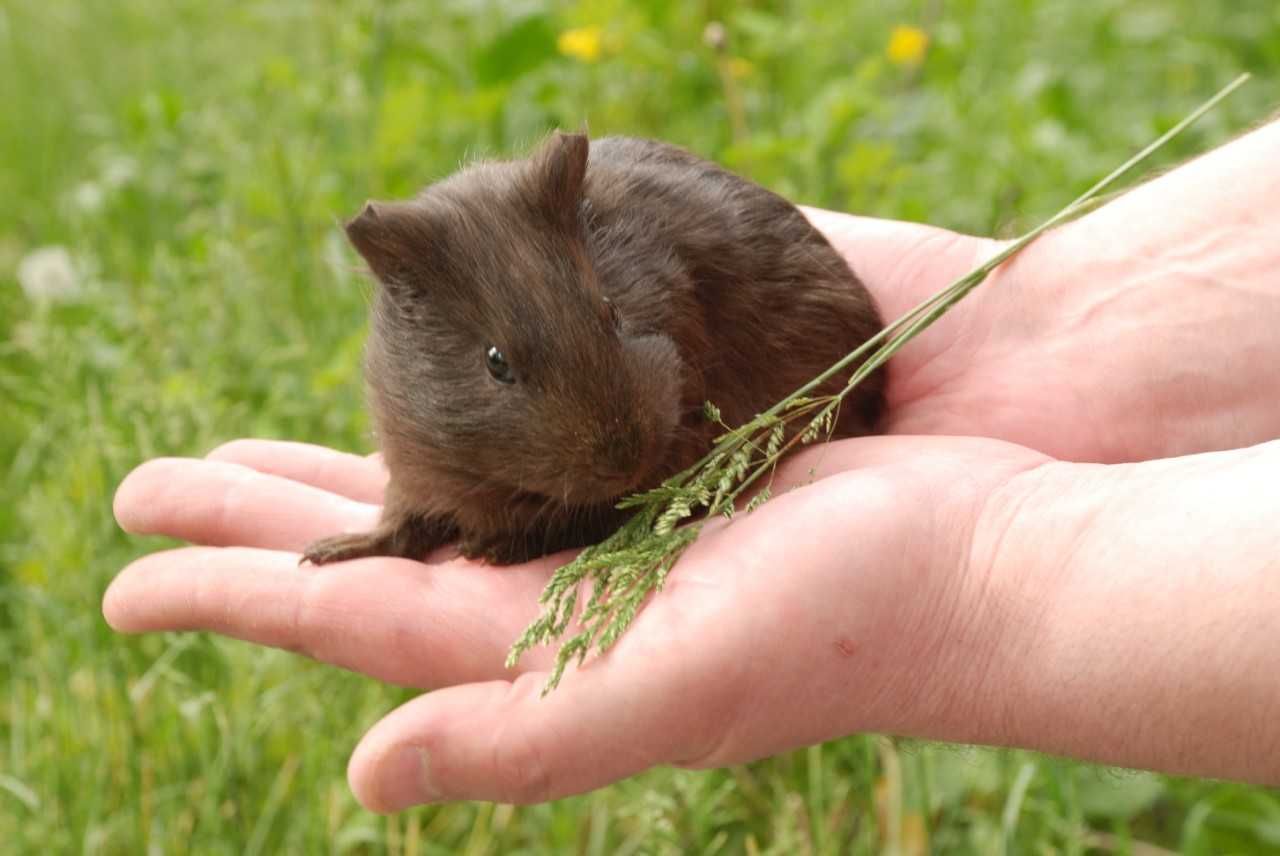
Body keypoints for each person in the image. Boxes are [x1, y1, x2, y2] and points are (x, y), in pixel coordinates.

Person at [104, 119, 1280, 811]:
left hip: (800, 376)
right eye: (507, 367)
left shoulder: (661, 283)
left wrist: (979, 574)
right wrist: (411, 512)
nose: (605, 431)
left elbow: (643, 393)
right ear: (405, 316)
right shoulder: (426, 298)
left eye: (610, 325)